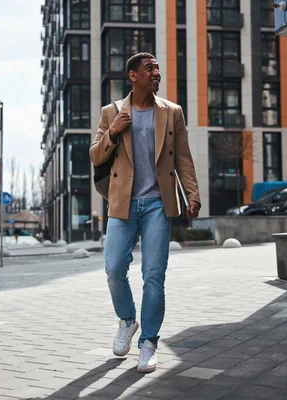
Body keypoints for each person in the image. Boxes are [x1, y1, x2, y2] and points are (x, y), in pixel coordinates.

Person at [89, 52, 201, 373]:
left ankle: (148, 343)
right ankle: (127, 319)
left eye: (157, 69)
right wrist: (113, 131)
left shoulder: (172, 113)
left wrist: (192, 194)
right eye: (149, 69)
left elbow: (183, 158)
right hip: (122, 204)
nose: (156, 73)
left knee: (153, 276)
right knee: (113, 269)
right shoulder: (111, 112)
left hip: (157, 204)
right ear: (133, 76)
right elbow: (96, 156)